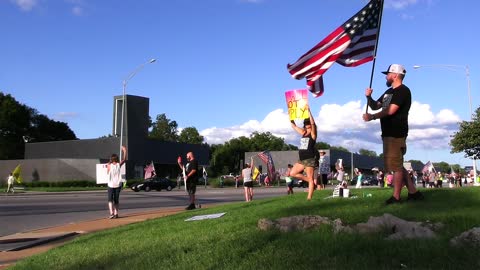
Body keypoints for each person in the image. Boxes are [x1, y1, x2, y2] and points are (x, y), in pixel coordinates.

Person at [362, 64, 424, 204]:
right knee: (397, 164)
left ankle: (396, 197)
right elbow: (375, 106)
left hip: (397, 132)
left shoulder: (403, 91)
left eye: (388, 74)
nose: (386, 76)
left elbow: (390, 111)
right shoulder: (388, 92)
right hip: (388, 132)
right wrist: (369, 97)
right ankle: (414, 192)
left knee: (395, 166)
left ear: (395, 75)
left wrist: (371, 117)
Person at [289, 105, 317, 200]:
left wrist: (309, 111)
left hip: (309, 158)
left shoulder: (313, 134)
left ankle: (309, 198)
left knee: (310, 177)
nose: (306, 124)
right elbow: (293, 126)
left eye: (307, 122)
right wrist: (291, 116)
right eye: (305, 123)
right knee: (292, 173)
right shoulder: (303, 133)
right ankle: (311, 182)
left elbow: (313, 124)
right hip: (301, 159)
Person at [106, 146, 127, 219]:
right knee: (116, 200)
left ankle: (111, 213)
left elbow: (107, 171)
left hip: (111, 184)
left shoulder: (109, 165)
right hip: (118, 184)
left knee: (110, 199)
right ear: (117, 159)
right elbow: (124, 159)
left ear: (111, 159)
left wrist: (110, 161)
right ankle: (116, 213)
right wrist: (124, 151)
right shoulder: (119, 165)